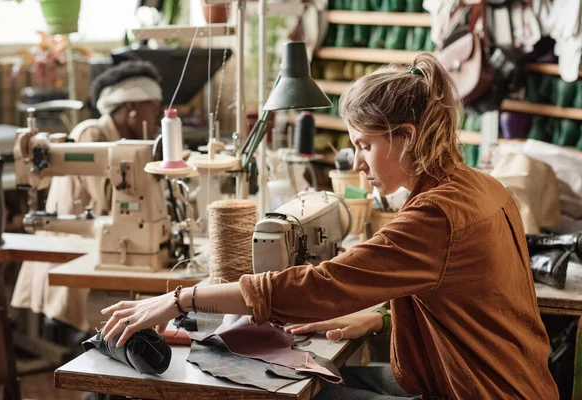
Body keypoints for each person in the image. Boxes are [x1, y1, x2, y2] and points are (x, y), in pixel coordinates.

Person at [100, 53, 559, 399]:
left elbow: (317, 286)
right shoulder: (480, 186)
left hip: (477, 391)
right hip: (515, 383)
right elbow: (465, 298)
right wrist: (377, 316)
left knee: (297, 395)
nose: (358, 163)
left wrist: (181, 297)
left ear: (406, 137)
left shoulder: (434, 216)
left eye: (364, 145)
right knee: (330, 380)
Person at [11, 61, 163, 334]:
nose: (158, 118)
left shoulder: (132, 146)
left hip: (102, 247)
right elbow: (109, 202)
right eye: (154, 110)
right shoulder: (91, 134)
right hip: (74, 250)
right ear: (131, 108)